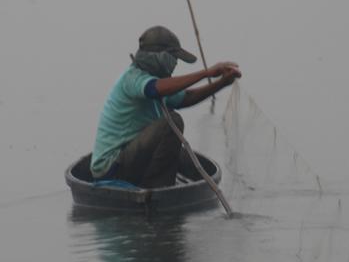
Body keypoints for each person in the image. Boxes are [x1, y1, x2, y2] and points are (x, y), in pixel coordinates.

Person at [90, 26, 241, 188]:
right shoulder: (132, 78)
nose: (176, 63)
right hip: (111, 168)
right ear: (160, 57)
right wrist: (206, 73)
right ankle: (157, 187)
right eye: (173, 57)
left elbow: (185, 98)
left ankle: (156, 182)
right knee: (172, 122)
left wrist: (222, 83)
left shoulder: (157, 81)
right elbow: (154, 89)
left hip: (130, 160)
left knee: (180, 154)